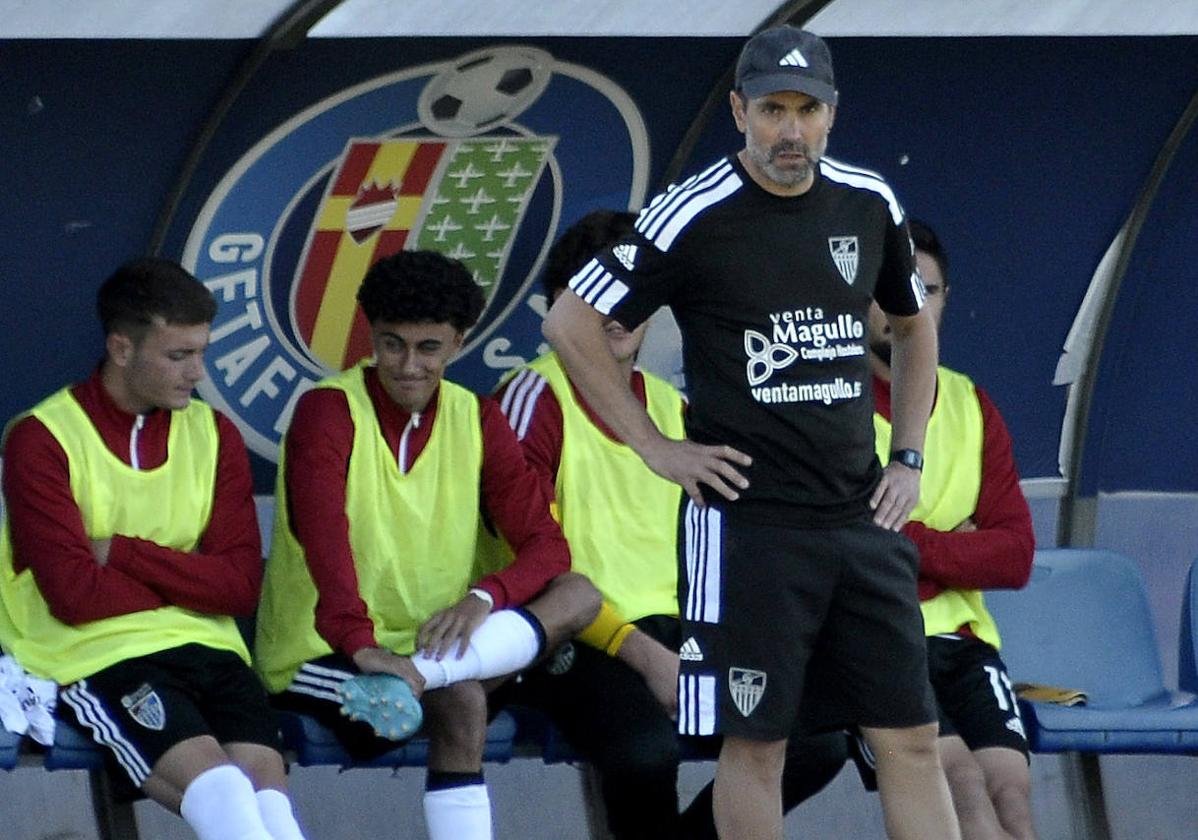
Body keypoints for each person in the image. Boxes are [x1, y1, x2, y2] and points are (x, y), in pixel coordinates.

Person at [543, 25, 961, 840]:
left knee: (911, 739)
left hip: (859, 519)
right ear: (739, 111)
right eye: (773, 109)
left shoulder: (869, 201)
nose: (791, 130)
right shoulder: (691, 210)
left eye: (807, 109)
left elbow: (912, 328)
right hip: (750, 526)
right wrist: (655, 445)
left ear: (832, 114)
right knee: (759, 745)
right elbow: (570, 323)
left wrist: (907, 456)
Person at [493, 209, 848, 839]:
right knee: (644, 754)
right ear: (561, 308)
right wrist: (649, 658)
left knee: (815, 742)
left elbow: (728, 540)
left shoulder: (674, 406)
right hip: (579, 637)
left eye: (633, 291)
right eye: (596, 294)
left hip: (683, 630)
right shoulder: (532, 398)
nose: (617, 311)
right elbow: (529, 563)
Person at [254, 249, 599, 840]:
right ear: (372, 336)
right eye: (392, 344)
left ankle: (420, 680)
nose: (408, 366)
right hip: (323, 652)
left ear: (459, 342)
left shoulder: (477, 417)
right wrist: (363, 648)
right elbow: (325, 545)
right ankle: (422, 680)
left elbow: (546, 548)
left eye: (428, 348)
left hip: (432, 651)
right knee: (464, 700)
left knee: (579, 594)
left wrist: (483, 599)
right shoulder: (328, 411)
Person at [0, 258, 307, 840]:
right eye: (178, 355)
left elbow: (239, 585)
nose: (197, 372)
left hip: (209, 648)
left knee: (271, 813)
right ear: (121, 349)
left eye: (201, 352)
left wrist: (123, 553)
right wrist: (190, 581)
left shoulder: (214, 433)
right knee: (228, 801)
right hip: (94, 654)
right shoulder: (42, 437)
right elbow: (73, 596)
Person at [863, 219, 1038, 840]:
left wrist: (912, 542)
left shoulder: (971, 404)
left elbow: (1015, 556)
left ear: (944, 301)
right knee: (961, 786)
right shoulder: (833, 405)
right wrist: (960, 543)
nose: (907, 306)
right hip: (876, 641)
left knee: (1010, 796)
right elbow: (864, 550)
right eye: (889, 291)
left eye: (925, 290)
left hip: (965, 640)